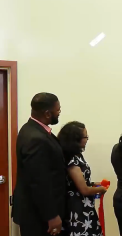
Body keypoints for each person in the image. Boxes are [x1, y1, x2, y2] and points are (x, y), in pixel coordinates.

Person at [12, 93, 64, 236]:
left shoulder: (31, 129)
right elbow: (38, 181)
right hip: (38, 215)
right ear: (47, 113)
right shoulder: (36, 138)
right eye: (58, 109)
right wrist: (51, 215)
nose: (59, 112)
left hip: (37, 212)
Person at [59, 121, 106, 236]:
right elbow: (84, 189)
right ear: (75, 139)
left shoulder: (76, 155)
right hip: (77, 210)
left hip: (83, 207)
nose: (87, 139)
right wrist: (101, 189)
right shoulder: (71, 160)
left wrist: (94, 184)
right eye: (85, 137)